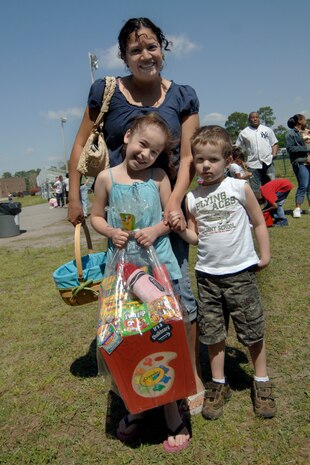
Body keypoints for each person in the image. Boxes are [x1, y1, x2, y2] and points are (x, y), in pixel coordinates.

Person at [67, 17, 204, 412]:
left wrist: (175, 203)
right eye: (136, 49)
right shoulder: (107, 91)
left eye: (152, 46)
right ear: (125, 56)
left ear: (164, 47)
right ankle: (138, 377)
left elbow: (189, 157)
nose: (146, 55)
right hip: (122, 220)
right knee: (129, 304)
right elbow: (80, 146)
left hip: (167, 214)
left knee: (179, 298)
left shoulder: (184, 95)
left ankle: (189, 375)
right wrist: (76, 198)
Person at [91, 113, 190, 452]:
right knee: (130, 339)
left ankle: (171, 408)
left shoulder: (159, 177)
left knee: (164, 339)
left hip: (160, 271)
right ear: (128, 136)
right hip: (121, 276)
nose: (146, 154)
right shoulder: (106, 178)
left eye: (154, 151)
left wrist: (157, 229)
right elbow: (95, 215)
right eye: (142, 144)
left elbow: (171, 217)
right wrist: (109, 231)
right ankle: (136, 403)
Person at [170, 125, 276, 420]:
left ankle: (261, 381)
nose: (205, 166)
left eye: (213, 160)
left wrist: (263, 254)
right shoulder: (192, 198)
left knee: (252, 330)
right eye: (200, 160)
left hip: (240, 272)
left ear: (227, 159)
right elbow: (195, 237)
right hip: (207, 276)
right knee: (213, 334)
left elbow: (258, 222)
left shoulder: (238, 187)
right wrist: (182, 230)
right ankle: (218, 383)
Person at [235, 112, 278, 196]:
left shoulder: (267, 130)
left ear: (259, 118)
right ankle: (258, 208)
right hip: (253, 164)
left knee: (271, 186)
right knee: (256, 190)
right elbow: (237, 148)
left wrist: (274, 154)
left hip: (268, 162)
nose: (255, 119)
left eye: (257, 117)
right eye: (252, 117)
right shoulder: (244, 133)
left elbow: (274, 143)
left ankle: (272, 207)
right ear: (249, 119)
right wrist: (242, 161)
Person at [285, 114, 310, 218]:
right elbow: (290, 149)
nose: (306, 121)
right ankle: (297, 208)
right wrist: (307, 148)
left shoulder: (308, 131)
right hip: (300, 162)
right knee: (303, 185)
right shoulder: (290, 134)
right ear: (299, 121)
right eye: (304, 119)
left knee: (309, 187)